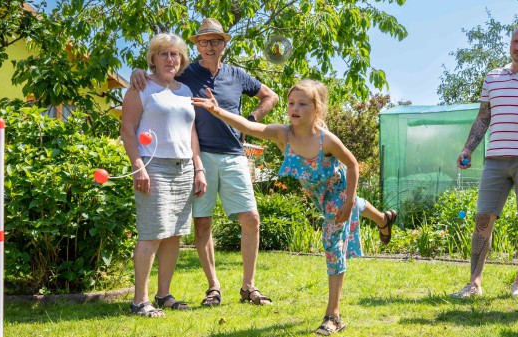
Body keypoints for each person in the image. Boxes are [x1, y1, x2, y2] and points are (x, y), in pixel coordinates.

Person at [192, 80, 398, 335]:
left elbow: (353, 165)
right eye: (291, 103)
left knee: (332, 243)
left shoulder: (326, 140)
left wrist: (348, 200)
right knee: (346, 215)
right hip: (319, 196)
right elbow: (249, 126)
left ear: (317, 108)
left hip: (338, 191)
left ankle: (333, 315)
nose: (295, 108)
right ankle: (383, 220)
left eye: (302, 104)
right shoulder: (283, 134)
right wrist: (218, 111)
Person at [130, 18, 279, 306]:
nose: (210, 46)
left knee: (251, 218)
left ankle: (249, 287)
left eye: (216, 41)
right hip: (198, 158)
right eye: (204, 41)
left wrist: (249, 122)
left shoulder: (237, 75)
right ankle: (214, 287)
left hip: (234, 153)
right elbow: (161, 74)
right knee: (202, 224)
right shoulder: (187, 73)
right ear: (197, 45)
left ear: (225, 43)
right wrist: (138, 71)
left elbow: (270, 96)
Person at [451, 25, 518, 300]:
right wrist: (467, 148)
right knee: (482, 219)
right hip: (495, 159)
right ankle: (474, 283)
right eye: (515, 41)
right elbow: (483, 117)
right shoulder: (493, 78)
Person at [121, 33, 207, 317]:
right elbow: (127, 130)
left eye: (175, 54)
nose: (170, 59)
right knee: (151, 234)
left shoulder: (184, 91)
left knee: (174, 235)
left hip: (183, 169)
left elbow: (190, 132)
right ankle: (139, 301)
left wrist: (199, 168)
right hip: (153, 167)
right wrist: (139, 166)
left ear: (181, 59)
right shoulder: (140, 87)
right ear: (153, 59)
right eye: (164, 54)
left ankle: (163, 294)